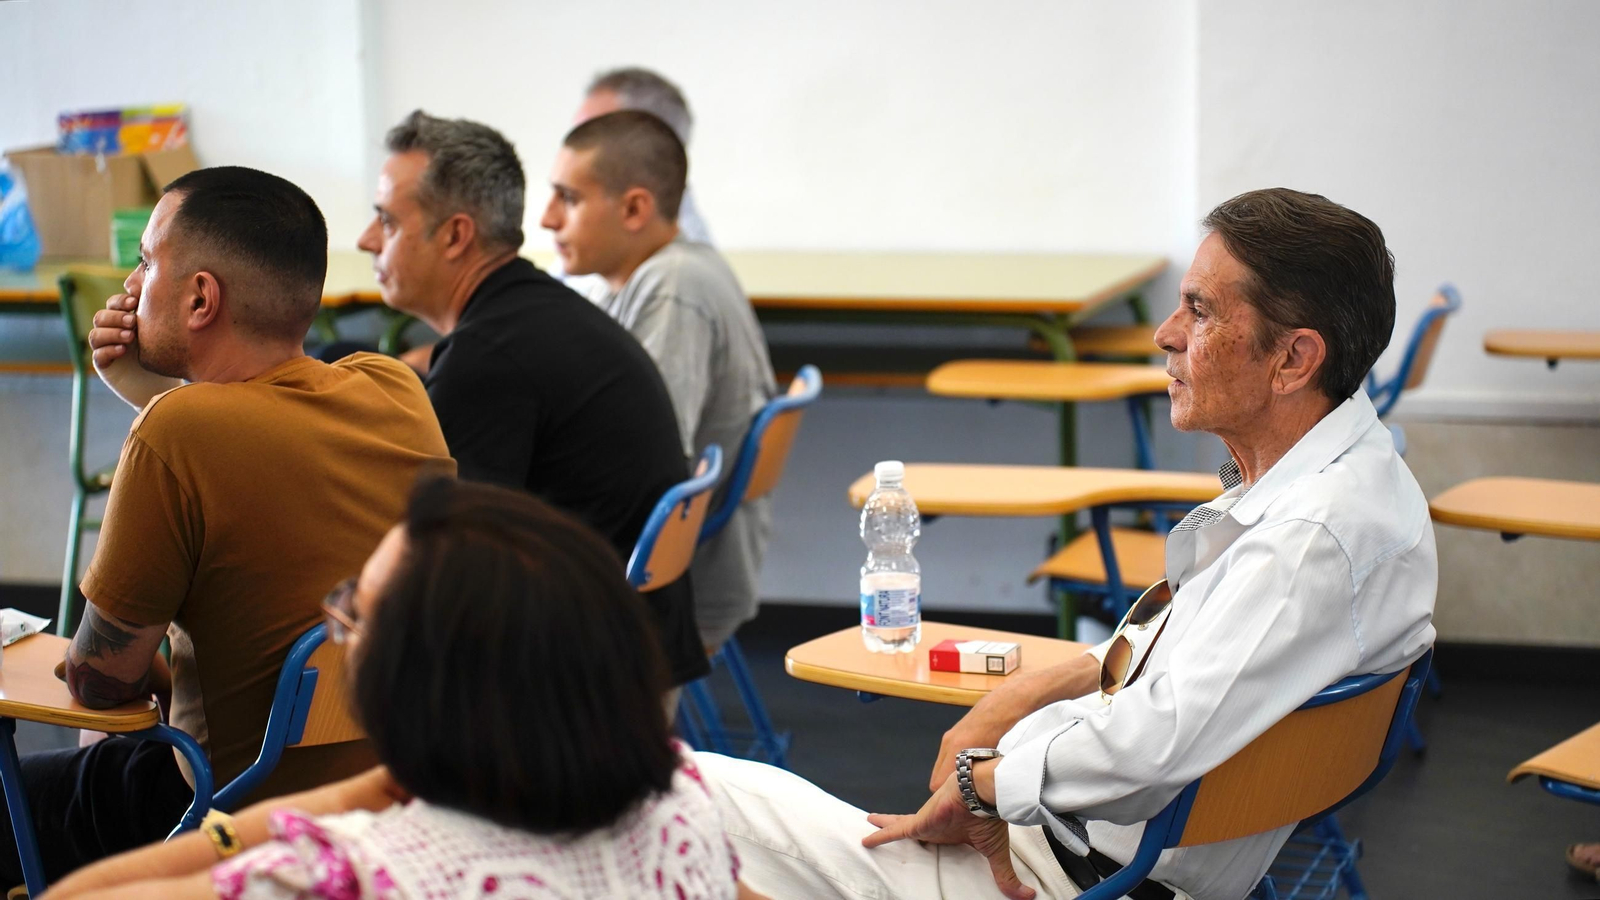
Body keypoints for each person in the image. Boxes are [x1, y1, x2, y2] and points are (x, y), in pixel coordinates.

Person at [693, 188, 1438, 900]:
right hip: (1087, 847)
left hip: (1068, 876)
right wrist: (1031, 689)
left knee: (677, 791)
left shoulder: (1307, 540)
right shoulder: (1357, 476)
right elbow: (1194, 667)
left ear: (1294, 360)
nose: (1166, 333)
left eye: (1200, 311)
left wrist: (979, 783)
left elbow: (1152, 746)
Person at [25, 166, 454, 885]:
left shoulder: (181, 433)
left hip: (227, 807)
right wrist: (155, 396)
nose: (130, 289)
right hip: (394, 793)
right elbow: (253, 435)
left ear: (200, 296)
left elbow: (100, 681)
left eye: (145, 262)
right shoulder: (395, 388)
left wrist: (161, 412)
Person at [47, 476, 764, 899]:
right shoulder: (677, 801)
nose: (336, 624)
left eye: (354, 610)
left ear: (411, 685)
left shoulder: (350, 873)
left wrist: (333, 802)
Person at [356, 110, 708, 689]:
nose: (367, 240)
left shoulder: (489, 356)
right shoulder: (529, 315)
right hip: (628, 646)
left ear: (455, 235)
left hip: (583, 684)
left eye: (387, 221)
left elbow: (448, 559)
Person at [543, 110, 775, 650]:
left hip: (672, 587)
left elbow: (640, 465)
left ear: (634, 208)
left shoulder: (673, 289)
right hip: (671, 570)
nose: (548, 219)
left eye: (568, 198)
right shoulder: (650, 274)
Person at [575, 67, 713, 245]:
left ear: (652, 142)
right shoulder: (593, 235)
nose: (571, 152)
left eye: (589, 137)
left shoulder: (678, 264)